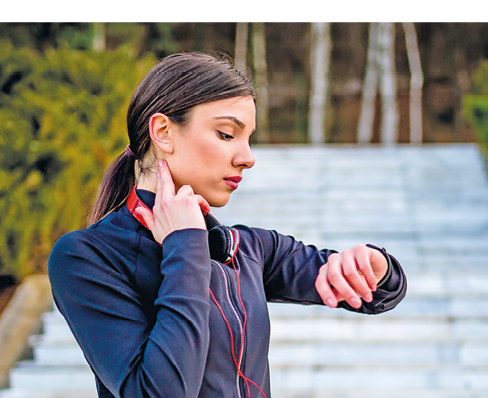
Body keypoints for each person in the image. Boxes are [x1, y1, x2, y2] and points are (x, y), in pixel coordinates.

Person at [48, 52, 407, 398]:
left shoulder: (246, 249)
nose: (247, 157)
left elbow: (377, 292)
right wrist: (184, 245)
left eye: (248, 138)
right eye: (226, 134)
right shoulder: (87, 257)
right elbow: (160, 390)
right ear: (163, 131)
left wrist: (375, 267)